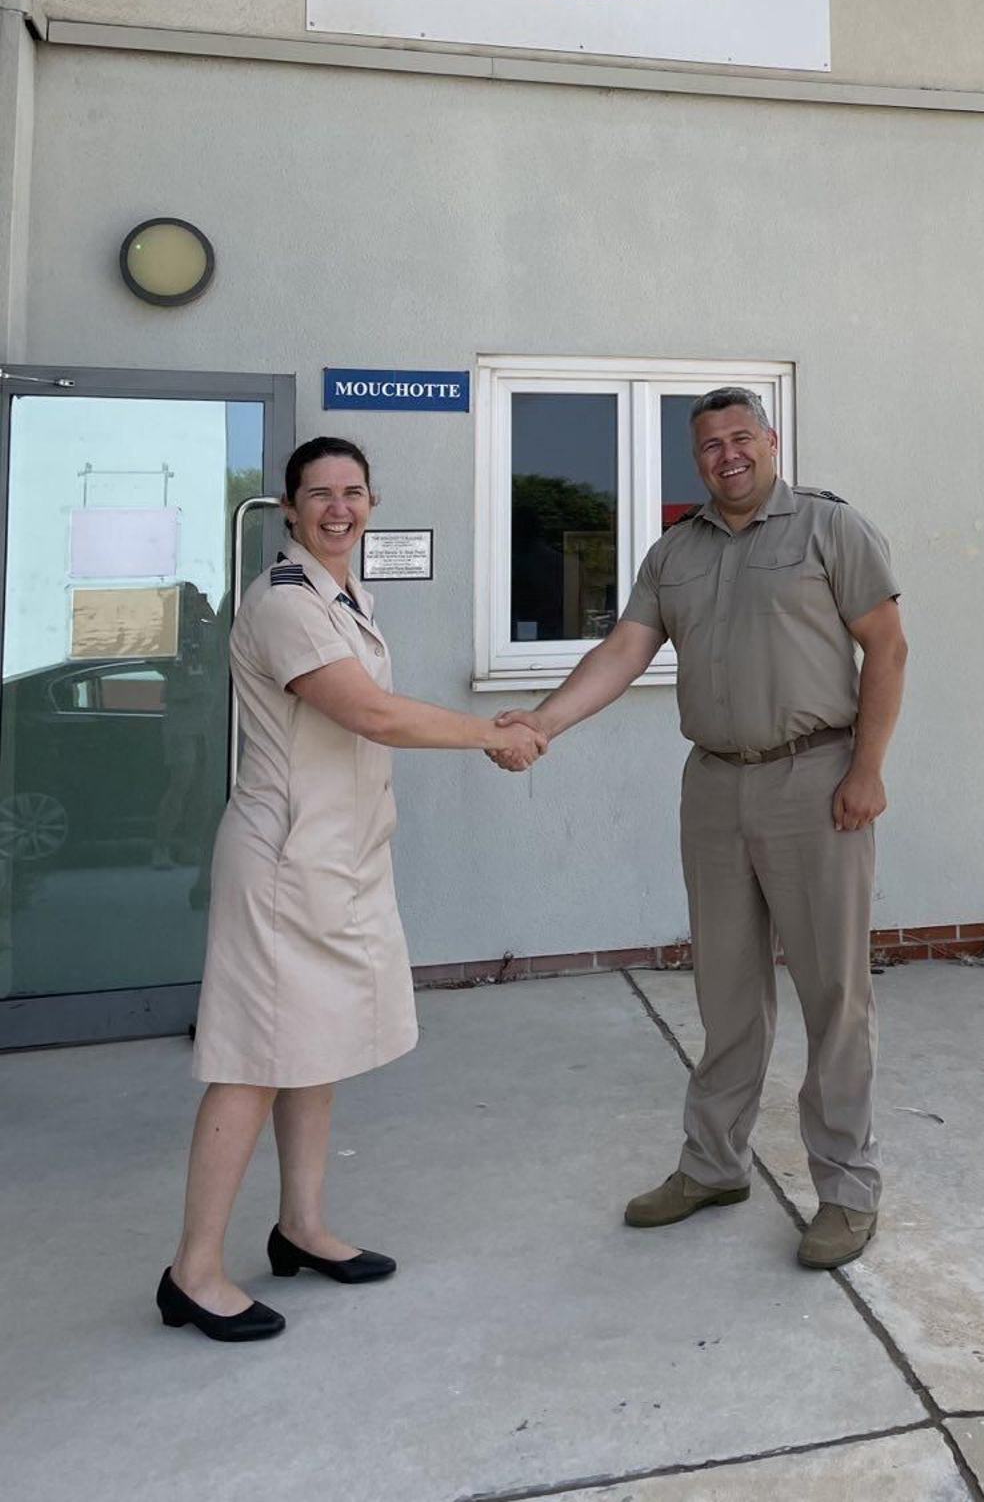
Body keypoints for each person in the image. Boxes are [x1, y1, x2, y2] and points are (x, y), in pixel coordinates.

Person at [497, 387, 907, 1270]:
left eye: (739, 437)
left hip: (817, 778)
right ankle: (715, 1163)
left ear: (770, 440)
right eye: (709, 445)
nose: (726, 454)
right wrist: (543, 721)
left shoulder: (831, 529)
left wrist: (867, 770)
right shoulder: (673, 552)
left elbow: (889, 644)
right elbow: (622, 651)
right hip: (716, 786)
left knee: (835, 996)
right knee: (725, 991)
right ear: (697, 461)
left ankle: (845, 1190)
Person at [157, 436, 545, 1343]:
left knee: (315, 1047)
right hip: (286, 864)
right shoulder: (284, 601)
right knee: (252, 1061)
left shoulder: (342, 595)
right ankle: (194, 1270)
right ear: (287, 509)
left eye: (354, 491)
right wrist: (492, 732)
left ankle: (301, 1225)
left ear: (372, 502)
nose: (339, 506)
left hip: (340, 859)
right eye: (319, 493)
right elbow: (366, 712)